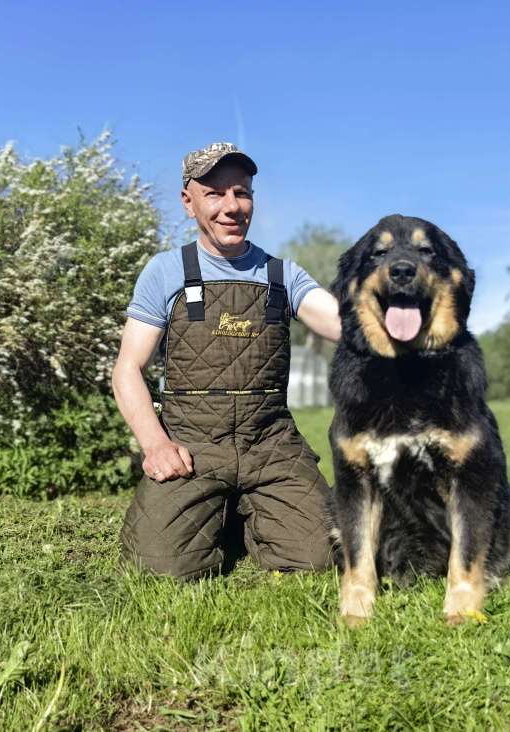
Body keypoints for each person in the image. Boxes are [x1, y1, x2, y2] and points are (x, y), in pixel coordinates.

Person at [113, 142, 341, 580]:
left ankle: (245, 508)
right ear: (188, 201)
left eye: (242, 192)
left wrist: (402, 318)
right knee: (160, 569)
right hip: (192, 443)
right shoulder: (165, 272)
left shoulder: (283, 276)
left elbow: (344, 326)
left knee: (320, 557)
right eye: (215, 193)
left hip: (270, 442)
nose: (231, 207)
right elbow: (127, 369)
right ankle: (221, 508)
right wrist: (155, 444)